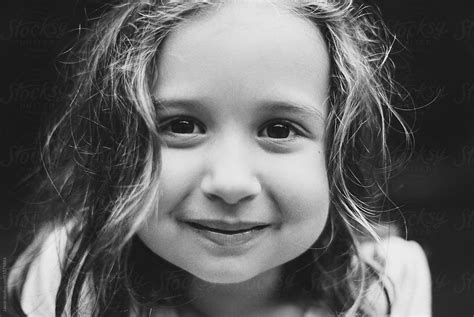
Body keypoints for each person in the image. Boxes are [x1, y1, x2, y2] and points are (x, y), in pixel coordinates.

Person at [7, 0, 432, 316]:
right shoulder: (72, 278)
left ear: (337, 157)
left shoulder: (383, 287)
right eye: (182, 126)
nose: (231, 183)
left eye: (279, 130)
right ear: (115, 146)